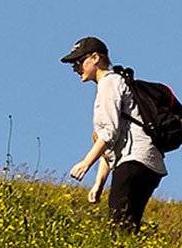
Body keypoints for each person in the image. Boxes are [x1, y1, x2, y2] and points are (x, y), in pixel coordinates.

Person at [62, 36, 166, 231]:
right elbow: (111, 143)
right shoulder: (114, 83)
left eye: (78, 62)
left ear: (95, 58)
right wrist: (99, 183)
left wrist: (85, 163)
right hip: (148, 162)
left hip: (134, 160)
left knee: (119, 224)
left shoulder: (109, 83)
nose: (75, 68)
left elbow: (109, 133)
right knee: (128, 224)